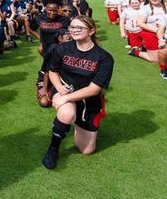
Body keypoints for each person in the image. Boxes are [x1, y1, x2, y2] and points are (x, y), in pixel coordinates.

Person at [41, 16, 114, 169]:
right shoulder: (62, 48)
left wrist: (67, 97)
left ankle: (75, 123)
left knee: (86, 150)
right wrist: (60, 90)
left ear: (91, 31)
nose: (74, 30)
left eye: (79, 28)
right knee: (67, 113)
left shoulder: (104, 58)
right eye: (72, 27)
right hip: (64, 88)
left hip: (89, 100)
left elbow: (94, 89)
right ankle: (53, 149)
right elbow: (52, 71)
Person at [130, 0, 167, 80]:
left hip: (166, 33)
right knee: (156, 59)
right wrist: (157, 30)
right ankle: (136, 52)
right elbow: (140, 23)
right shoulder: (145, 8)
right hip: (149, 33)